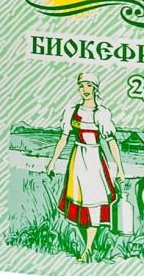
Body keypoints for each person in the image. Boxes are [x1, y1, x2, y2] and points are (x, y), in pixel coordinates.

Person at [46, 72, 125, 262]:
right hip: (77, 160)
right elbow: (63, 138)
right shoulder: (72, 111)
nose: (85, 90)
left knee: (94, 201)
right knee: (80, 203)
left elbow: (111, 141)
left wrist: (120, 168)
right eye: (82, 86)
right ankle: (87, 246)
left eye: (89, 85)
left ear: (95, 88)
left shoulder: (101, 113)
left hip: (94, 160)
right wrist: (52, 161)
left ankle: (88, 249)